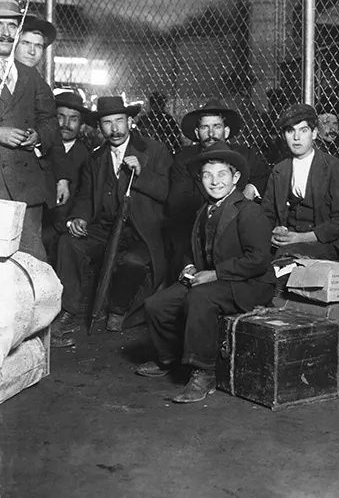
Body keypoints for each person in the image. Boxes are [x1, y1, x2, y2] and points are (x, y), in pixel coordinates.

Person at [138, 142, 275, 404]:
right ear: (200, 179)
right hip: (214, 279)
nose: (214, 182)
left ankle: (205, 371)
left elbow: (258, 260)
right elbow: (198, 248)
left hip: (250, 283)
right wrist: (189, 266)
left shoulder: (249, 211)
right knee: (157, 304)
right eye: (207, 175)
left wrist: (214, 274)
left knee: (200, 298)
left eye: (222, 174)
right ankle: (170, 357)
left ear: (235, 178)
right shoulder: (204, 210)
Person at [51, 96, 172, 346]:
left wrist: (141, 174)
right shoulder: (95, 158)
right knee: (68, 242)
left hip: (139, 231)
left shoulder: (154, 150)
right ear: (100, 127)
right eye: (107, 123)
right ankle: (68, 311)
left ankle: (118, 309)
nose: (114, 129)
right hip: (105, 229)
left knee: (134, 260)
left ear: (130, 121)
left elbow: (167, 192)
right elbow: (84, 196)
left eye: (119, 121)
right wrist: (79, 217)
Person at [166, 98, 269, 277]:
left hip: (236, 238)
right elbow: (179, 203)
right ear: (197, 133)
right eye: (205, 127)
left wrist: (250, 189)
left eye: (217, 126)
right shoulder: (184, 159)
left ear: (226, 131)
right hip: (196, 231)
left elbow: (264, 177)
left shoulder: (246, 154)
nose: (211, 133)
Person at [0, 0, 61, 261]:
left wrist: (37, 137)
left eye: (12, 25)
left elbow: (49, 122)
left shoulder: (31, 77)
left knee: (30, 263)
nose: (5, 32)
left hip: (25, 188)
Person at [261, 103, 339, 261]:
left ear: (314, 133)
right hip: (287, 243)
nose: (296, 138)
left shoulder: (333, 167)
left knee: (286, 260)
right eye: (290, 131)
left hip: (325, 243)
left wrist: (301, 238)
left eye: (303, 130)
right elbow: (266, 214)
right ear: (284, 136)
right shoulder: (279, 170)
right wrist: (273, 232)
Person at [42, 91, 92, 264]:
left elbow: (84, 197)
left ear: (82, 125)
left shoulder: (86, 157)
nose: (65, 124)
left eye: (73, 119)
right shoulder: (40, 146)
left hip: (62, 225)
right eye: (60, 117)